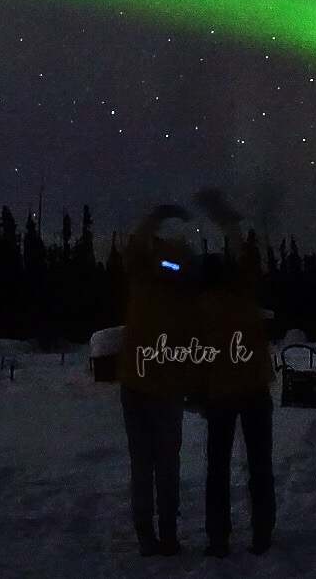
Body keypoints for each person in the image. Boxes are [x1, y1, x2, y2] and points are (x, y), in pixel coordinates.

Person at [192, 189, 276, 558]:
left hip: (221, 395)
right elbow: (248, 254)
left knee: (218, 469)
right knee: (259, 465)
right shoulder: (244, 293)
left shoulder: (199, 308)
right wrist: (227, 222)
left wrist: (196, 392)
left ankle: (218, 538)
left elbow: (194, 356)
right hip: (254, 389)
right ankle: (261, 533)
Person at [117, 203, 197, 556]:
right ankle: (154, 533)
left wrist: (157, 217)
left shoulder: (153, 282)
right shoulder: (148, 279)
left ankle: (160, 532)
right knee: (156, 465)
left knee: (155, 466)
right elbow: (136, 243)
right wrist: (158, 216)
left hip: (160, 392)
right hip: (145, 391)